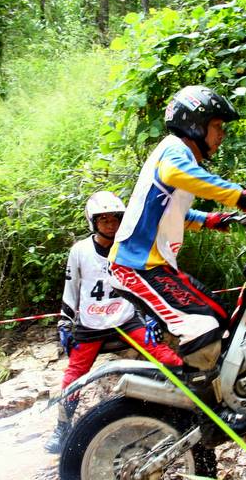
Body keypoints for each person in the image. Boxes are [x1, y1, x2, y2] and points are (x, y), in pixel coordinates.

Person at [107, 85, 246, 432]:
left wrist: (208, 220)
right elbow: (179, 176)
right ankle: (207, 419)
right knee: (203, 331)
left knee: (219, 315)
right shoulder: (175, 152)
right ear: (195, 125)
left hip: (155, 267)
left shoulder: (179, 157)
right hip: (137, 267)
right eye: (217, 126)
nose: (221, 135)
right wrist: (239, 196)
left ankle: (212, 396)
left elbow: (170, 209)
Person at [44, 191, 183, 454]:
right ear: (93, 221)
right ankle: (62, 427)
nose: (110, 224)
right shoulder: (80, 251)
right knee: (73, 375)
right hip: (91, 321)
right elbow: (71, 287)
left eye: (115, 218)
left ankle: (190, 402)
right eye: (103, 219)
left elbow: (144, 284)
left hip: (125, 316)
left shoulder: (128, 246)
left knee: (166, 356)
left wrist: (152, 316)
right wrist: (64, 323)